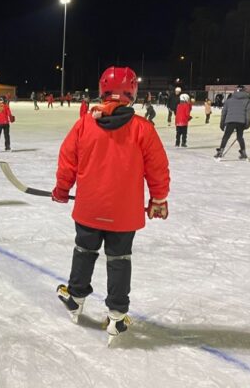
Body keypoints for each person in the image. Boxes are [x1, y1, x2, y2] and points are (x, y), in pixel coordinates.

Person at [53, 66, 170, 344]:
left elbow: (67, 161)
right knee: (119, 260)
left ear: (102, 89)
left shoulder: (84, 124)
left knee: (84, 250)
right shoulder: (143, 128)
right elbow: (158, 169)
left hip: (89, 207)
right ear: (132, 92)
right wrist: (158, 199)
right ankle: (117, 316)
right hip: (124, 213)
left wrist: (61, 190)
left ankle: (76, 296)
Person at [214, 85, 250, 160]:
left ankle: (220, 151)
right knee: (240, 137)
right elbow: (248, 113)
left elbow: (224, 112)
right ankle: (243, 152)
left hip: (230, 121)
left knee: (226, 136)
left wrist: (222, 122)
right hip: (241, 122)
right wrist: (247, 122)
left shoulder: (229, 100)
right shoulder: (247, 101)